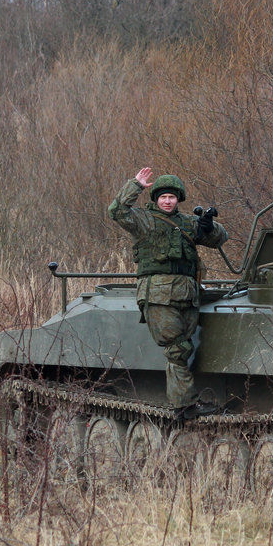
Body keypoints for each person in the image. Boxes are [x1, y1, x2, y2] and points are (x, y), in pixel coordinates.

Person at [109, 167, 228, 418]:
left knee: (182, 349)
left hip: (186, 295)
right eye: (163, 196)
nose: (167, 201)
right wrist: (136, 185)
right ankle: (184, 405)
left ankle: (185, 404)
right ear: (156, 199)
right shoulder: (144, 220)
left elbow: (219, 239)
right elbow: (117, 211)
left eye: (172, 197)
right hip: (158, 296)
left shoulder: (187, 222)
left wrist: (209, 227)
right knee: (177, 350)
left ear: (178, 200)